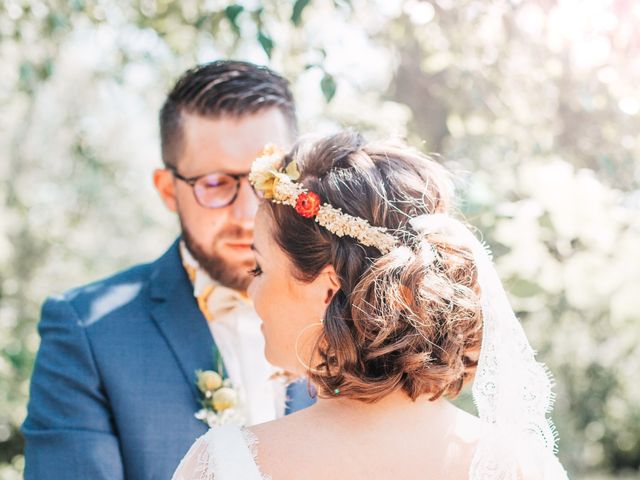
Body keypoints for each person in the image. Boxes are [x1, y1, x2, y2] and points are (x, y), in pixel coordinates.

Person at [172, 131, 569, 479]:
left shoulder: (222, 466)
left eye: (259, 268)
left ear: (327, 289)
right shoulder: (521, 466)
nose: (250, 291)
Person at [22, 60, 314, 480]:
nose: (249, 213)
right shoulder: (87, 331)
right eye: (215, 184)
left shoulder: (346, 312)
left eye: (267, 181)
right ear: (167, 190)